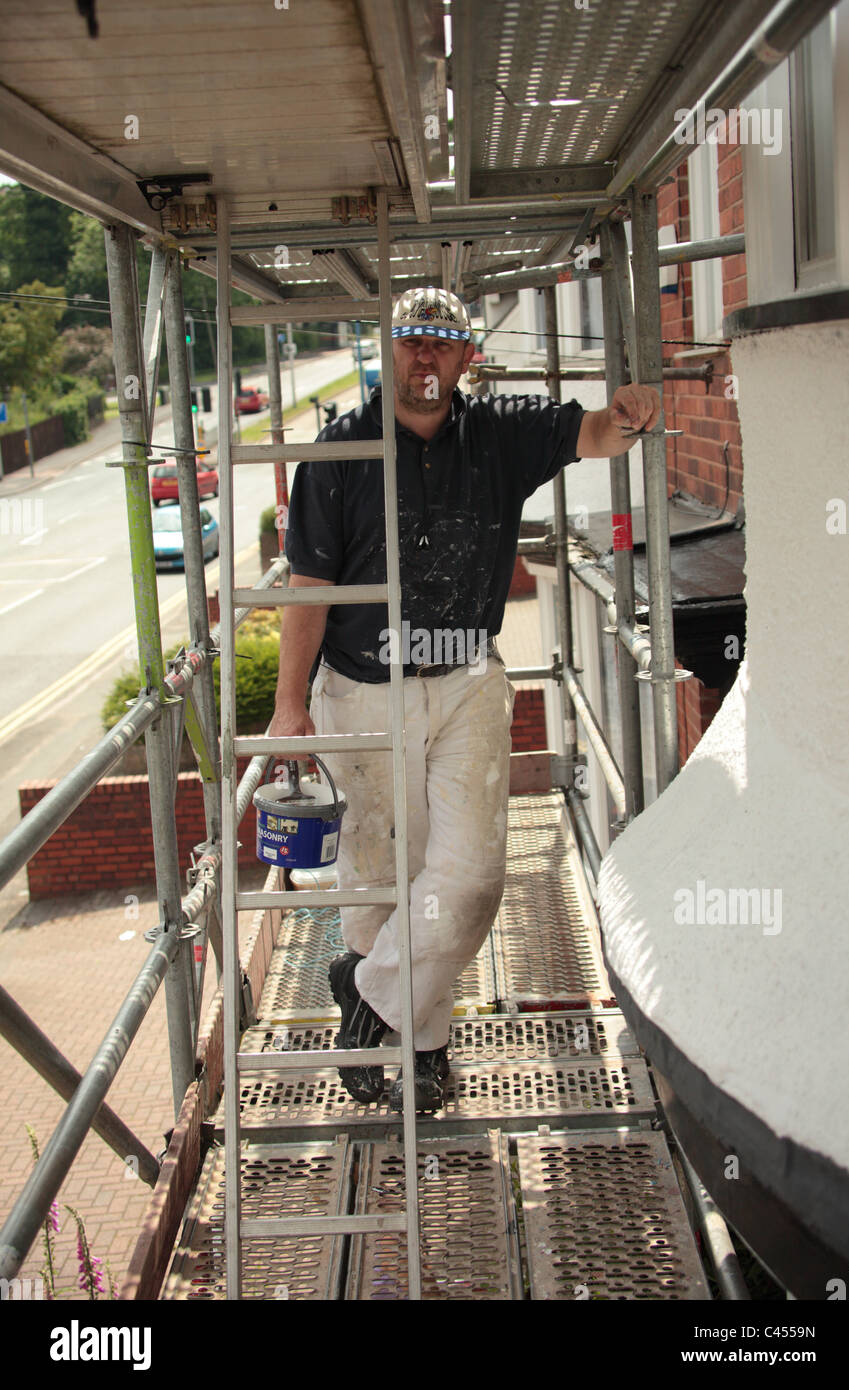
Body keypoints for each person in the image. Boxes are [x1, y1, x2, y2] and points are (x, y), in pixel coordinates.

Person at [272, 287, 659, 1112]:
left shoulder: (500, 434)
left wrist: (629, 417)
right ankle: (423, 1053)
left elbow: (595, 434)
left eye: (442, 345)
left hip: (466, 683)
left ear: (465, 358)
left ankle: (367, 996)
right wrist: (289, 704)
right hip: (360, 694)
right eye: (411, 341)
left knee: (471, 880)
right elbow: (307, 589)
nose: (425, 358)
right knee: (385, 882)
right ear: (389, 351)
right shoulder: (340, 454)